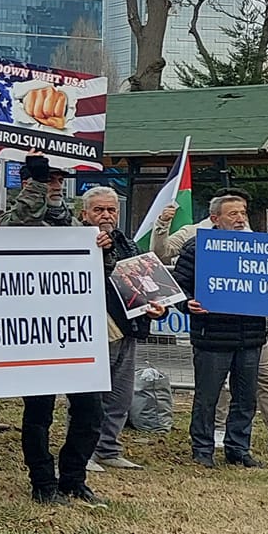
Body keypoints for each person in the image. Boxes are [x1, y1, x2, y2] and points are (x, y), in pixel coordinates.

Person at [9, 176, 109, 507]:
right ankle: (41, 480)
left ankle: (73, 478)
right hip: (37, 335)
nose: (55, 186)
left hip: (81, 339)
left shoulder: (101, 238)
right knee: (39, 413)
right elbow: (19, 227)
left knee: (90, 414)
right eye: (47, 181)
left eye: (58, 181)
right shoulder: (18, 222)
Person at [170, 193, 268, 470]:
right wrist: (186, 304)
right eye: (233, 214)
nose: (240, 219)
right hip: (212, 335)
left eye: (243, 213)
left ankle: (239, 448)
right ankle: (202, 448)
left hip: (250, 335)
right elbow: (178, 286)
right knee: (208, 396)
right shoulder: (196, 248)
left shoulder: (259, 247)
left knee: (246, 397)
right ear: (215, 219)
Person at [84, 186, 165, 473]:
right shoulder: (76, 241)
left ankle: (108, 448)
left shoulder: (127, 243)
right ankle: (85, 451)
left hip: (127, 326)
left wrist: (157, 304)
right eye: (99, 210)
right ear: (85, 213)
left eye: (111, 209)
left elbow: (143, 280)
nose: (106, 215)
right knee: (91, 396)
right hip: (94, 328)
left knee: (121, 395)